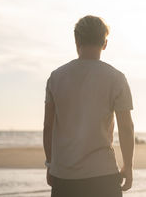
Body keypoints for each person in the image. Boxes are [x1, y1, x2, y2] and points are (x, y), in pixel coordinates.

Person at [43, 15, 135, 197]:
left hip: (64, 176)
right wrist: (128, 166)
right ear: (104, 43)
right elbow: (126, 127)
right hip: (103, 175)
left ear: (76, 41)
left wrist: (50, 164)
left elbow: (48, 127)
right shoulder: (116, 78)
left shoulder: (56, 77)